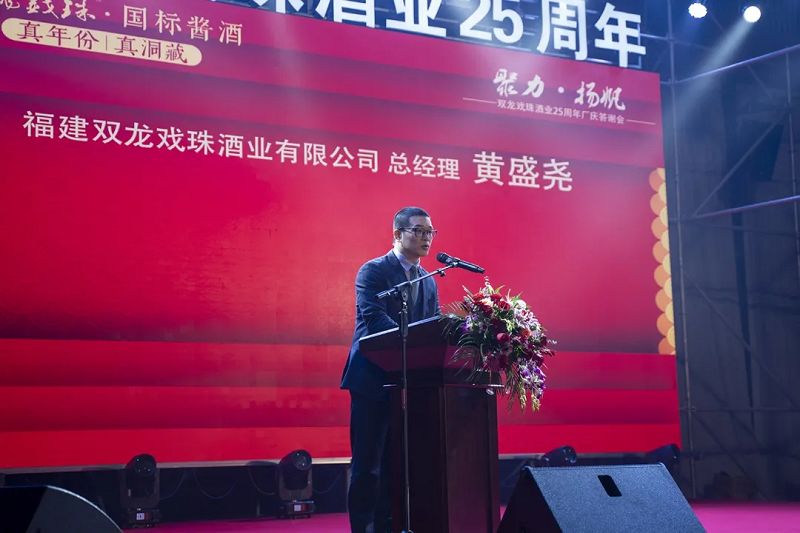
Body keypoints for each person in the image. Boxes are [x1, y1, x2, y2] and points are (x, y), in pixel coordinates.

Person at [341, 206, 441, 533]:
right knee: (368, 466)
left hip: (408, 384)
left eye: (430, 232)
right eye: (419, 231)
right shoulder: (373, 272)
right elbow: (375, 322)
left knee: (396, 466)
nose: (427, 237)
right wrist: (414, 343)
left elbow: (432, 327)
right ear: (398, 234)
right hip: (371, 380)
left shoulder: (429, 281)